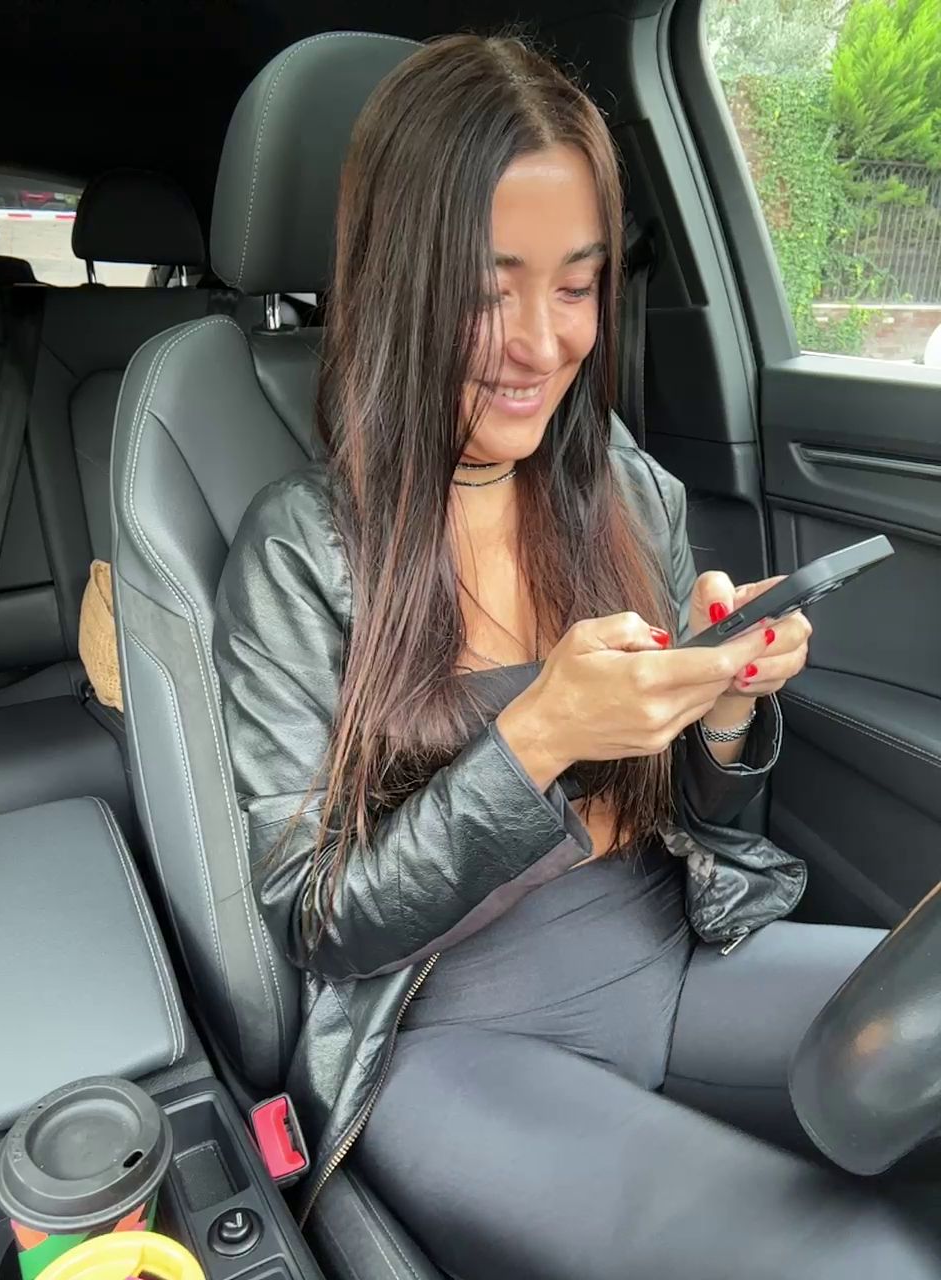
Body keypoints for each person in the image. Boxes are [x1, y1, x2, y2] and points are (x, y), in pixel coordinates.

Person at [213, 33, 939, 1280]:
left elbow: (703, 812)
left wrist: (724, 702)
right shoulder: (301, 551)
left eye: (577, 285)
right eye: (486, 288)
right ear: (394, 280)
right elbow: (317, 918)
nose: (542, 344)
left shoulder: (622, 489)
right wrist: (539, 733)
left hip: (681, 948)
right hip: (454, 1034)